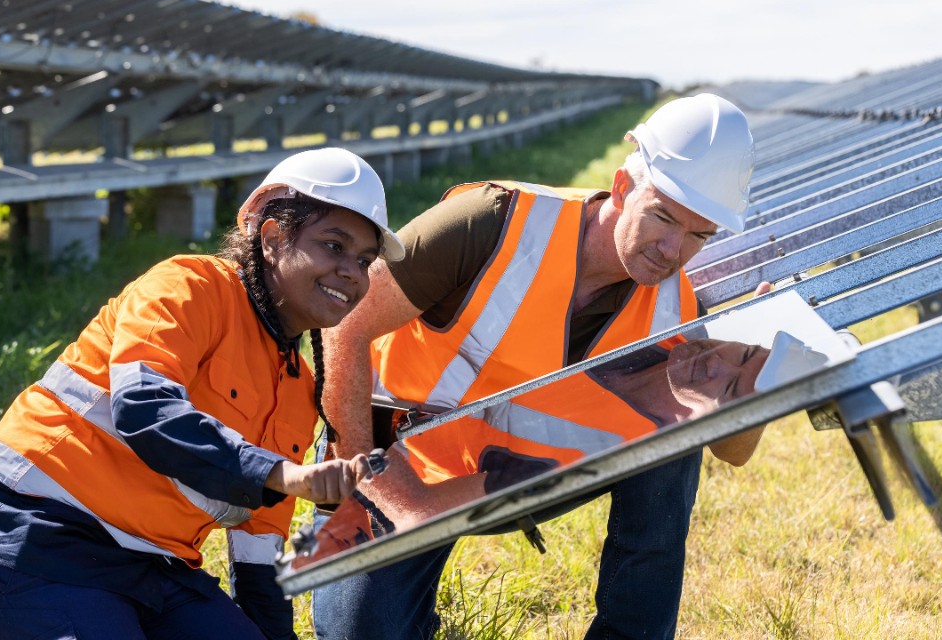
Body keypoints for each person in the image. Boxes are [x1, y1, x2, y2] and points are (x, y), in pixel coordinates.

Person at [313, 94, 766, 640]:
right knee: (359, 632)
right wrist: (378, 483)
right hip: (400, 458)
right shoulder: (490, 222)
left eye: (699, 235)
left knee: (677, 433)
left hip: (518, 471)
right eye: (662, 216)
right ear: (623, 187)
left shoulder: (675, 308)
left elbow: (732, 450)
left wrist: (759, 361)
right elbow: (344, 325)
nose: (672, 250)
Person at [0, 148, 405, 640]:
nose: (353, 271)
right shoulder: (188, 287)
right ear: (272, 238)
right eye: (333, 245)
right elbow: (144, 409)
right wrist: (281, 473)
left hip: (155, 566)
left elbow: (259, 557)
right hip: (32, 537)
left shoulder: (297, 387)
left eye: (365, 260)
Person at [290, 338, 774, 568]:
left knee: (673, 447)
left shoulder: (648, 423)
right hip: (365, 424)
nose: (718, 361)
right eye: (745, 351)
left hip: (437, 485)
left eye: (728, 385)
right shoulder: (669, 296)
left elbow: (735, 449)